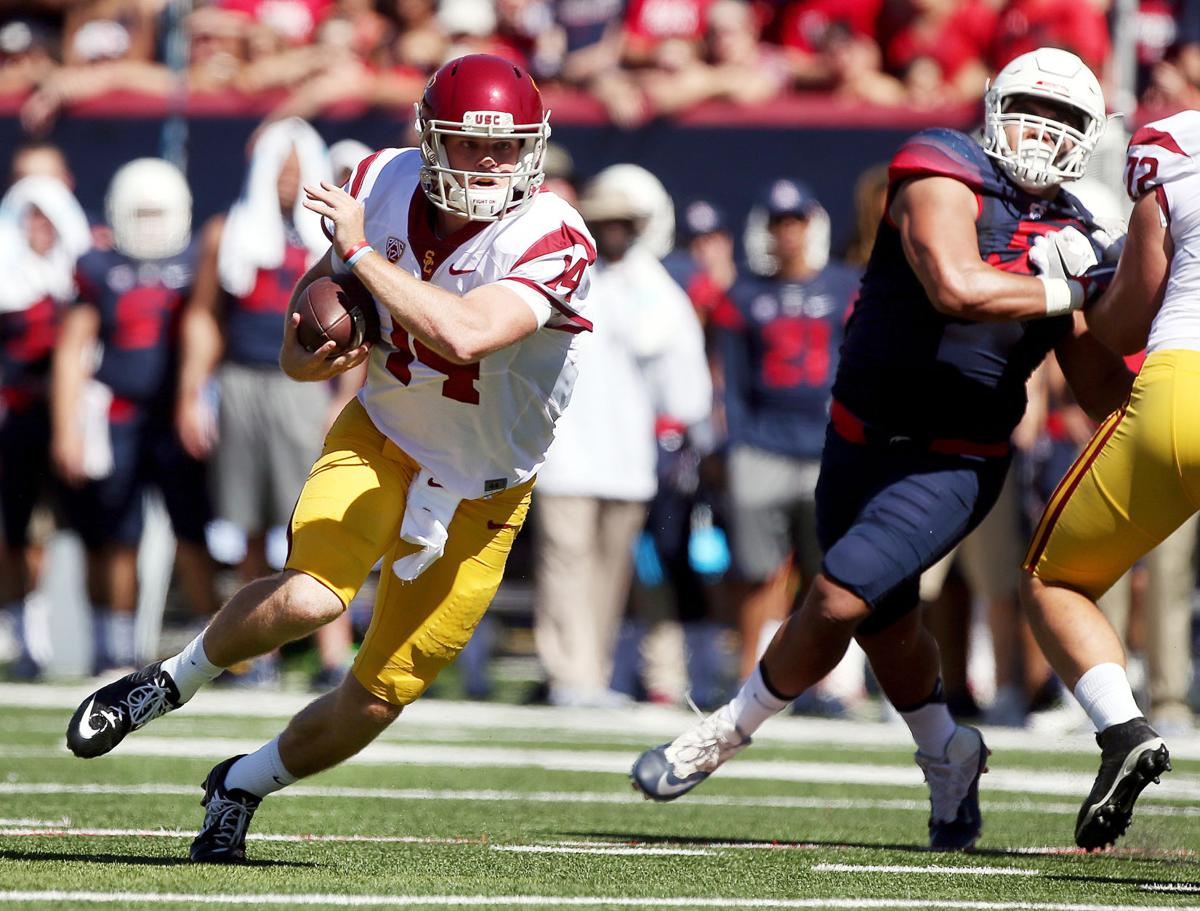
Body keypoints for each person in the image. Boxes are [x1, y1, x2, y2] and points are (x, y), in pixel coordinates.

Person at [65, 53, 596, 864]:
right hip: (381, 435)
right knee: (315, 596)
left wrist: (366, 258)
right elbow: (305, 331)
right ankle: (166, 681)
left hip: (485, 491)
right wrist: (314, 342)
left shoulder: (553, 233)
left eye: (507, 146)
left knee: (378, 696)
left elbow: (465, 333)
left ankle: (243, 780)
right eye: (470, 144)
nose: (491, 164)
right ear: (430, 139)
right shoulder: (383, 180)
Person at [631, 47, 1130, 852]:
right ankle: (947, 750)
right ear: (995, 109)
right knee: (887, 624)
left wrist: (1124, 291)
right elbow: (957, 287)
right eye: (1031, 110)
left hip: (953, 459)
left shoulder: (1076, 230)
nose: (1042, 131)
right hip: (856, 436)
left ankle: (727, 728)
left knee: (835, 597)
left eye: (1064, 119)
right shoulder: (942, 166)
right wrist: (1071, 283)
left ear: (1090, 136)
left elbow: (1100, 383)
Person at [1019, 109, 1200, 849]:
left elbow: (1124, 326)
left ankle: (1123, 728)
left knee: (1051, 580)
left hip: (1187, 388)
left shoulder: (1179, 149)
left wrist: (1079, 285)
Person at [532, 166, 711, 708]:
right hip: (562, 451)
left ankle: (592, 673)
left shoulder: (659, 294)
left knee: (608, 575)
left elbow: (687, 392)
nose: (613, 232)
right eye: (603, 221)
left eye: (622, 223)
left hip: (627, 461)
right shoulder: (556, 277)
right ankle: (569, 677)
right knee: (564, 565)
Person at [51, 158, 221, 673]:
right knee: (117, 535)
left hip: (175, 420)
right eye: (139, 214)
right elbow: (72, 348)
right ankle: (120, 648)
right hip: (118, 418)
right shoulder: (97, 265)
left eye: (157, 214)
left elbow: (210, 330)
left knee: (192, 533)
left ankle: (218, 652)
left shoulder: (197, 262)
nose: (149, 226)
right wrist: (67, 429)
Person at [0, 173, 91, 678]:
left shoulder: (81, 278)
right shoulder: (7, 278)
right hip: (17, 420)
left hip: (75, 422)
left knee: (80, 532)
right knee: (18, 533)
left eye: (45, 215)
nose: (38, 226)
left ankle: (98, 641)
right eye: (29, 215)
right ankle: (25, 636)